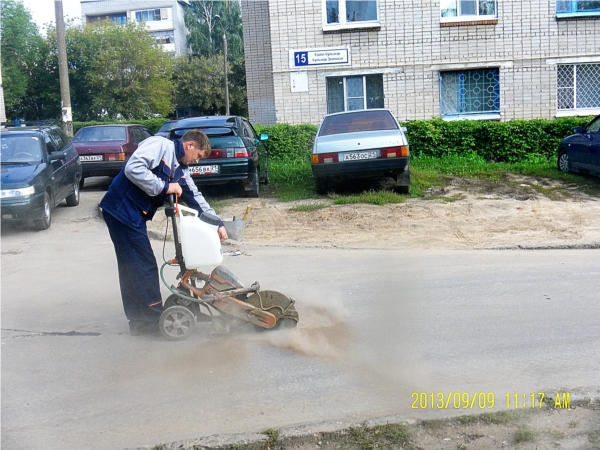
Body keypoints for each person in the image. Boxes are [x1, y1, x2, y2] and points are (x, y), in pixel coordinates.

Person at [99, 130, 228, 336]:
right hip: (121, 210)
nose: (197, 161)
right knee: (143, 265)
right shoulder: (160, 146)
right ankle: (151, 321)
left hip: (129, 213)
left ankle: (138, 322)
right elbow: (133, 168)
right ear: (190, 145)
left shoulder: (180, 169)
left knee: (131, 266)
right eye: (199, 156)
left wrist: (217, 223)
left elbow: (195, 198)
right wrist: (165, 187)